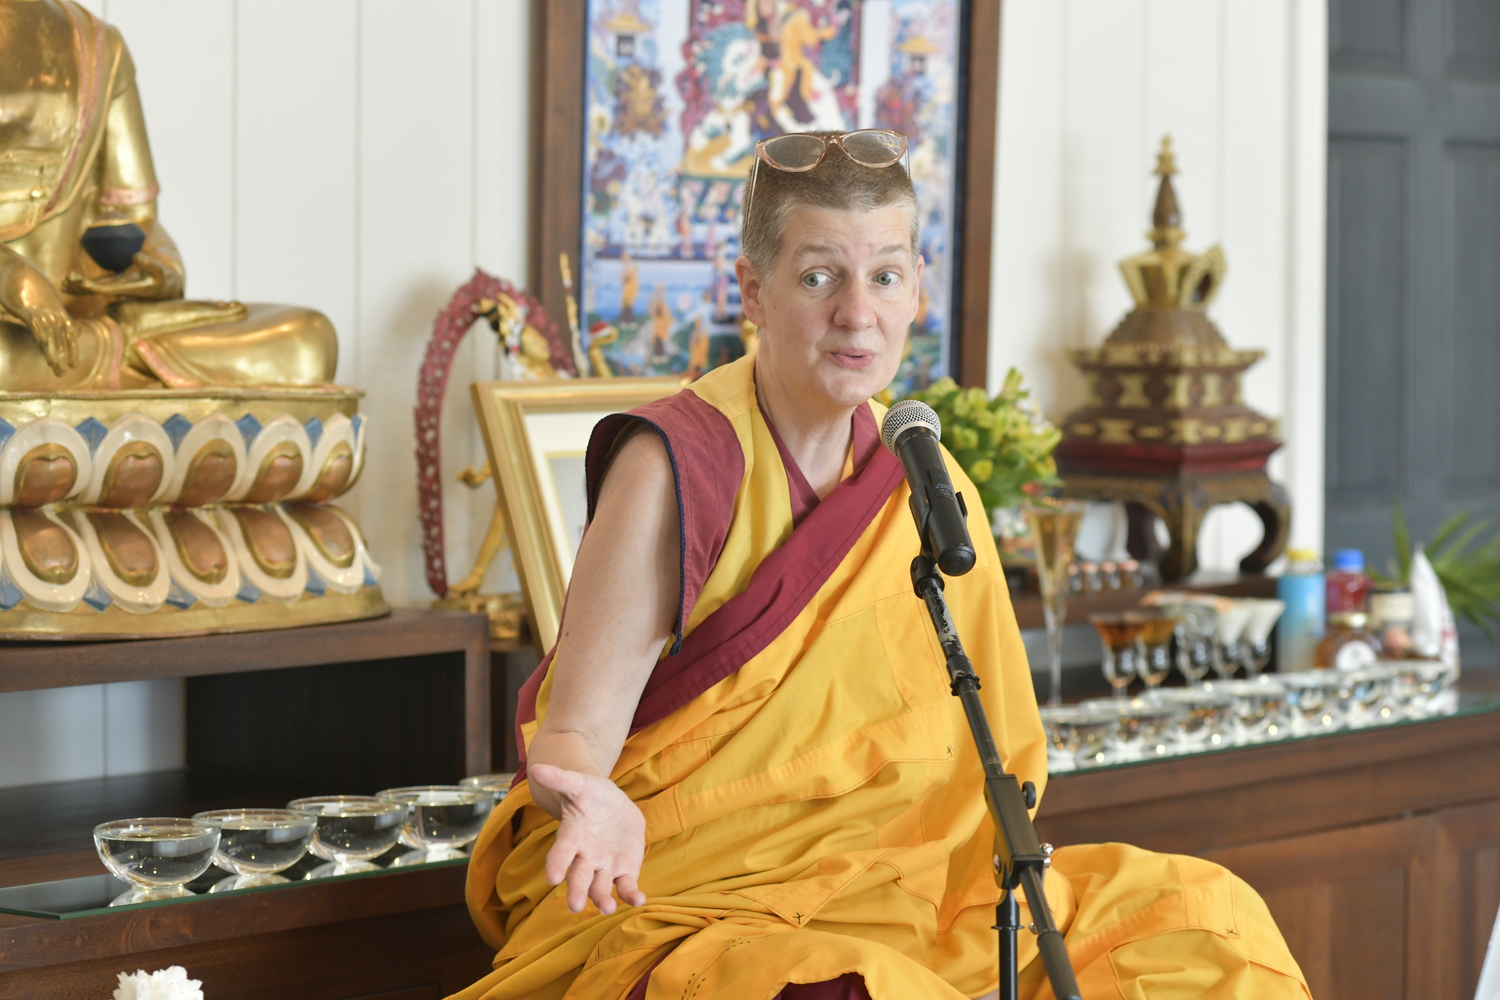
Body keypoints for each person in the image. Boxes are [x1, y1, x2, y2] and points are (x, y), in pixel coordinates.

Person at [456, 130, 1310, 1000]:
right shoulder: (679, 470)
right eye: (819, 276)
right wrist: (590, 804)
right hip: (687, 901)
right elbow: (573, 740)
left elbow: (982, 753)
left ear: (915, 294)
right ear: (753, 289)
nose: (857, 314)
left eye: (886, 276)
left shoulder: (926, 487)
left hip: (907, 892)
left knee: (1203, 924)